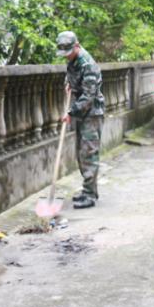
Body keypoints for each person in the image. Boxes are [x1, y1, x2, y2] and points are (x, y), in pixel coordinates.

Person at [56, 31, 104, 209]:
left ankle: (90, 195)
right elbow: (72, 79)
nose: (66, 57)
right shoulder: (73, 61)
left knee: (89, 154)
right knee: (80, 153)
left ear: (77, 45)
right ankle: (88, 190)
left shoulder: (88, 64)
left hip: (92, 113)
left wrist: (70, 112)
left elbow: (88, 97)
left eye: (69, 52)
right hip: (82, 112)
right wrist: (68, 82)